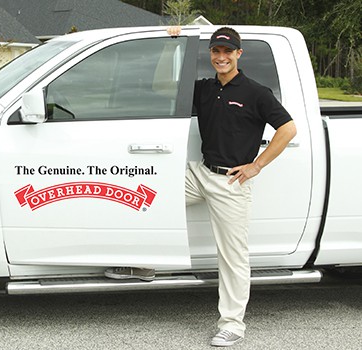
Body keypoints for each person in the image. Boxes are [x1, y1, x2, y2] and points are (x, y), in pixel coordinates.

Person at [105, 26, 297, 347]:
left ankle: (233, 325)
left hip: (231, 183)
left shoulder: (256, 92)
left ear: (238, 54)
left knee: (233, 257)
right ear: (210, 54)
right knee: (146, 198)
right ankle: (146, 263)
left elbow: (288, 129)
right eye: (216, 52)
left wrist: (257, 165)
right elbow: (161, 86)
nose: (221, 57)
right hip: (201, 173)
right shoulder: (206, 89)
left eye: (227, 52)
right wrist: (173, 44)